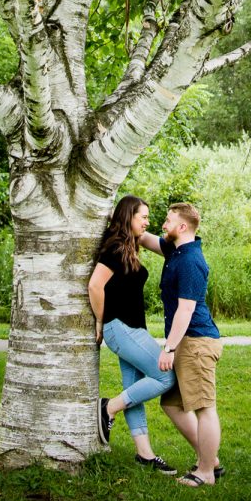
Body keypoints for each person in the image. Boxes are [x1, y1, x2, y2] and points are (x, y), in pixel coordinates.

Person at [88, 194, 177, 473]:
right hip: (121, 328)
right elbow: (94, 286)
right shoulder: (115, 248)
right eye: (144, 217)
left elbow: (169, 249)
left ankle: (145, 455)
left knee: (134, 391)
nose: (148, 222)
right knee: (165, 375)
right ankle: (108, 408)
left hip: (132, 328)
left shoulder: (132, 243)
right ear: (129, 217)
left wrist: (173, 230)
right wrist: (101, 322)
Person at [141, 202, 224, 487]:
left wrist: (169, 348)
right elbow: (144, 238)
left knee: (204, 408)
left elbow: (185, 310)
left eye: (167, 220)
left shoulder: (190, 261)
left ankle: (206, 473)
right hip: (187, 341)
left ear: (183, 226)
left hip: (196, 342)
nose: (162, 225)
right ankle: (208, 458)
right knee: (172, 403)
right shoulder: (175, 251)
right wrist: (125, 219)